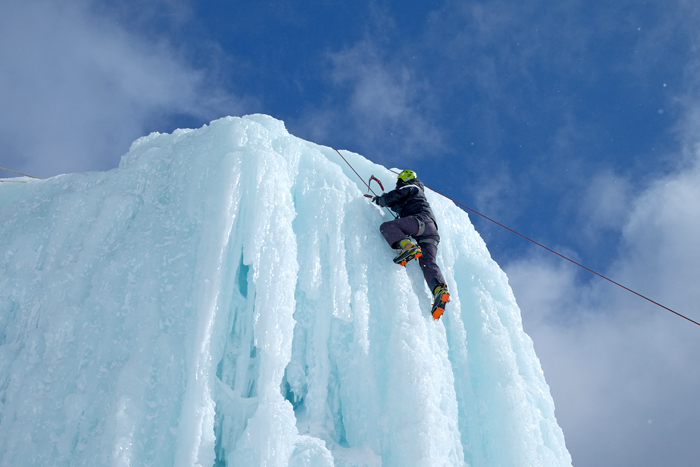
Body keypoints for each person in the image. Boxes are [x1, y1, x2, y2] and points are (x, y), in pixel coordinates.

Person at [372, 170, 450, 319]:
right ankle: (439, 289)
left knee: (388, 227)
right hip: (431, 232)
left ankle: (408, 247)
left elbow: (393, 197)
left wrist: (379, 200)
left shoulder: (412, 187)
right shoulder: (416, 195)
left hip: (421, 221)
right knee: (428, 262)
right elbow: (398, 204)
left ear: (404, 179)